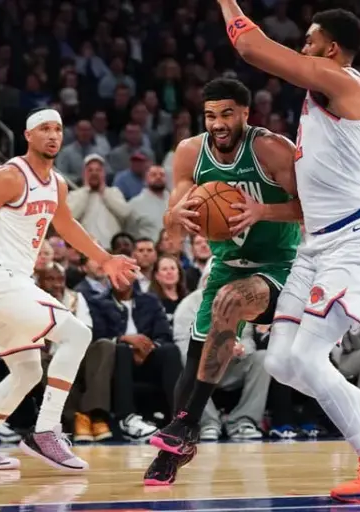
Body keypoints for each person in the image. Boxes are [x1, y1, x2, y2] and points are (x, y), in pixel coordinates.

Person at [216, 3, 360, 502]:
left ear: (330, 49)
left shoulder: (344, 82)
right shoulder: (319, 104)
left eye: (308, 40)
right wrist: (263, 213)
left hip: (359, 238)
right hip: (318, 243)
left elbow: (250, 46)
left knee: (309, 353)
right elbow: (308, 209)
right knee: (282, 362)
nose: (301, 46)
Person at [0, 107, 139, 471]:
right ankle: (46, 431)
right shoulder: (9, 176)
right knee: (78, 334)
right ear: (28, 135)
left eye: (58, 129)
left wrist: (105, 258)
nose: (53, 135)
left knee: (27, 371)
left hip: (15, 282)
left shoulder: (58, 184)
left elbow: (66, 226)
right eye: (44, 129)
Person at [144, 77, 301, 486]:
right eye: (210, 115)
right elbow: (172, 227)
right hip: (227, 262)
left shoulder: (270, 148)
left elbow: (311, 208)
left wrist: (261, 211)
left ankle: (184, 426)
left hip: (280, 264)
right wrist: (174, 219)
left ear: (246, 114)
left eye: (227, 113)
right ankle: (173, 451)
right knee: (195, 352)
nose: (217, 122)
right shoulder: (190, 153)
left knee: (231, 300)